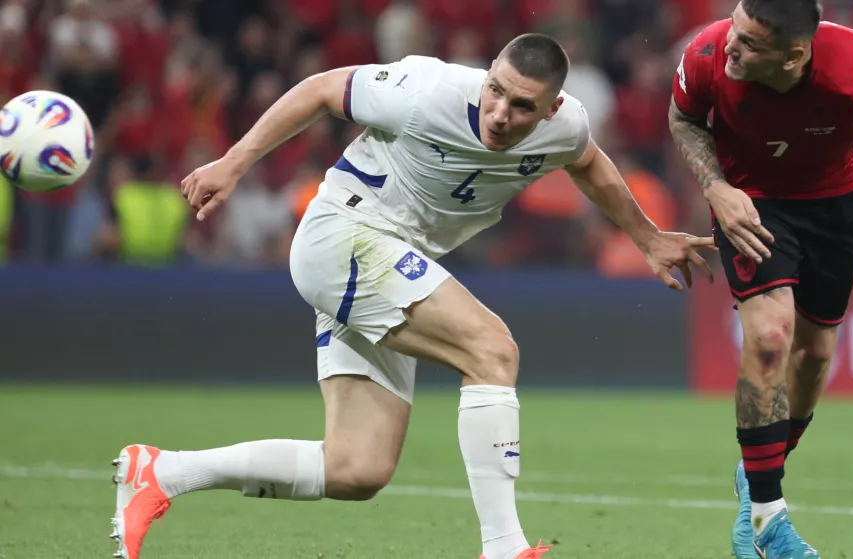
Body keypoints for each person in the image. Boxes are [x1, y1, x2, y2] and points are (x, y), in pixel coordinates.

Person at [109, 33, 715, 559]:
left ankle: (164, 472)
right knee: (492, 351)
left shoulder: (567, 126)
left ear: (551, 108)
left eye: (521, 105)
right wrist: (234, 163)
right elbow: (321, 89)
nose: (500, 113)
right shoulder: (426, 90)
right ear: (487, 75)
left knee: (357, 468)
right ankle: (504, 545)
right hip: (345, 234)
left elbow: (588, 163)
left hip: (393, 260)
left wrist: (648, 238)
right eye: (496, 91)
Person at [668, 2, 853, 558]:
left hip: (835, 204)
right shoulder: (706, 51)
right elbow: (684, 118)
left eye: (750, 42)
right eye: (735, 28)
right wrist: (716, 188)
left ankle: (757, 475)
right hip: (751, 201)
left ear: (793, 55)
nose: (731, 46)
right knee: (770, 336)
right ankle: (769, 518)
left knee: (815, 355)